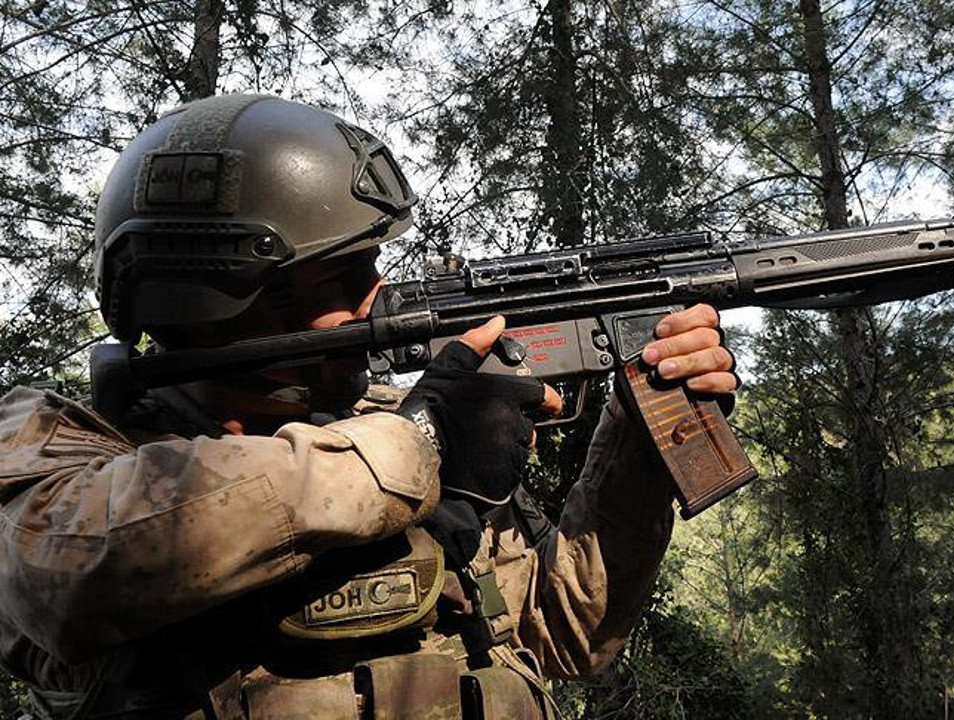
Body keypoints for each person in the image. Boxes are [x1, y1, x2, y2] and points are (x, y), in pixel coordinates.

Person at [0, 94, 738, 718]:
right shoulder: (57, 454)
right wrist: (422, 442)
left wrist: (638, 435)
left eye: (373, 266)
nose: (378, 298)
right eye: (341, 279)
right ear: (218, 300)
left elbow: (562, 635)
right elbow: (62, 575)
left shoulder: (386, 427)